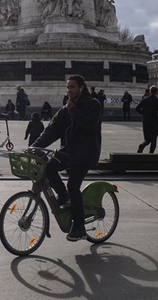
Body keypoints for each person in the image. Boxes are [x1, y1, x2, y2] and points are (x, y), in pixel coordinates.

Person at [31, 74, 102, 242]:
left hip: (86, 152)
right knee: (48, 167)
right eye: (68, 87)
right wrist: (34, 146)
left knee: (73, 185)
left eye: (73, 87)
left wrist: (74, 110)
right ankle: (63, 196)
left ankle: (79, 228)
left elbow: (90, 125)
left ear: (81, 88)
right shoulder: (66, 109)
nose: (69, 90)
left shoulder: (93, 104)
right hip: (69, 151)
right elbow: (52, 130)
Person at [135, 86, 158, 153]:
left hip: (146, 121)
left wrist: (144, 114)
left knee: (147, 139)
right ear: (157, 92)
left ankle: (142, 145)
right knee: (154, 139)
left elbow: (137, 108)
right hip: (154, 121)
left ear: (150, 92)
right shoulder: (157, 101)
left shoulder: (145, 100)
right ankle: (151, 153)